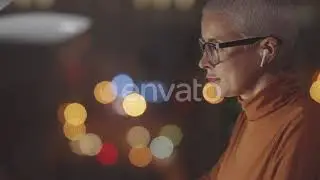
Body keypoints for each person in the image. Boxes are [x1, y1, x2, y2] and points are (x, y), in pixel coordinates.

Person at [198, 0, 320, 180]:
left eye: (214, 47)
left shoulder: (303, 124)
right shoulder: (248, 117)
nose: (203, 62)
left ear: (267, 50)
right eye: (205, 47)